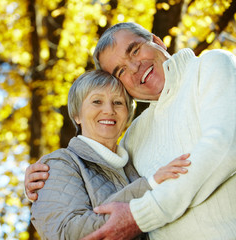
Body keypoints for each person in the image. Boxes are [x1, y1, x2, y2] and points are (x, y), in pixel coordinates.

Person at [25, 22, 236, 240]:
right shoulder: (135, 135)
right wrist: (47, 183)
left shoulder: (210, 66)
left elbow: (226, 146)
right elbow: (105, 173)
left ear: (157, 41)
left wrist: (141, 215)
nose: (135, 67)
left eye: (134, 50)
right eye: (121, 71)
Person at [31, 70, 190, 240]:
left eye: (118, 102)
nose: (109, 110)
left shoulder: (137, 161)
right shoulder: (59, 163)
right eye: (97, 101)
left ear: (128, 115)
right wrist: (149, 186)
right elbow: (66, 232)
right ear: (77, 115)